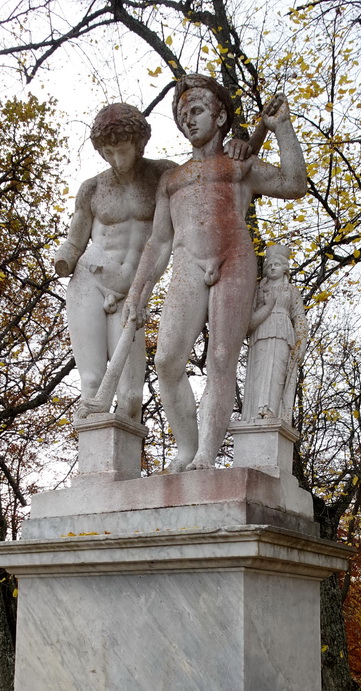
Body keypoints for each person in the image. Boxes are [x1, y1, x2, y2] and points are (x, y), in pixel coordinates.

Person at [122, 75, 307, 472]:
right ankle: (187, 448)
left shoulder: (239, 164)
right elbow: (158, 242)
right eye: (182, 115)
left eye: (197, 110)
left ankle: (206, 453)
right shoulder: (172, 179)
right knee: (168, 361)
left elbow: (294, 183)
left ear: (220, 115)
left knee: (222, 359)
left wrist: (282, 128)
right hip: (188, 263)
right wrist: (138, 292)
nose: (189, 120)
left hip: (233, 259)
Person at [54, 103, 175, 422]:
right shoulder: (93, 188)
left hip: (133, 292)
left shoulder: (164, 176)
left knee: (132, 396)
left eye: (123, 151)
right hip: (90, 282)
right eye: (108, 152)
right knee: (91, 383)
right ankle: (93, 470)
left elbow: (204, 187)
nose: (117, 160)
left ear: (139, 144)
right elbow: (75, 240)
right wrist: (63, 258)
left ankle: (122, 472)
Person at [242, 244, 308, 422]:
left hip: (283, 334)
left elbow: (300, 317)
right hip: (261, 332)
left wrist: (301, 343)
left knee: (277, 373)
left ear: (285, 268)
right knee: (259, 373)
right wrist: (268, 306)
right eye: (269, 265)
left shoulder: (292, 291)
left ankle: (272, 410)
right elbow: (248, 322)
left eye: (277, 264)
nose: (272, 267)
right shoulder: (258, 291)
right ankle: (256, 411)